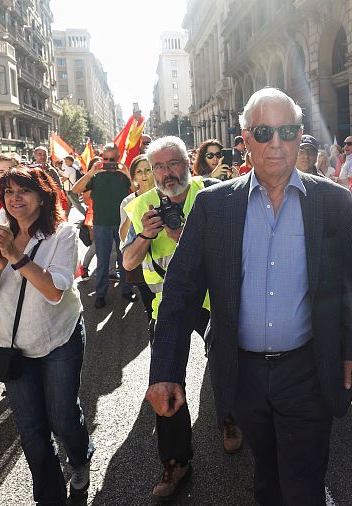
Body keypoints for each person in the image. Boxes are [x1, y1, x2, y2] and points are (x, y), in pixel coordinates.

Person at [146, 88, 352, 505]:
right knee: (267, 472)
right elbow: (180, 292)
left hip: (307, 370)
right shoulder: (214, 205)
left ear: (300, 136)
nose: (277, 142)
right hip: (241, 372)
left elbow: (347, 286)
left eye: (287, 130)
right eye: (264, 132)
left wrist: (351, 349)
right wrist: (166, 370)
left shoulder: (333, 201)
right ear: (245, 140)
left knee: (303, 480)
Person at [0, 165, 93, 504]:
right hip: (13, 348)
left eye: (24, 190)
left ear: (43, 196)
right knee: (33, 433)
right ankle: (50, 496)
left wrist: (17, 256)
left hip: (58, 340)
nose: (15, 198)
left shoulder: (62, 234)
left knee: (64, 419)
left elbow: (54, 292)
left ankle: (80, 459)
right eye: (9, 192)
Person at [122, 136, 241, 500]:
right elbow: (128, 263)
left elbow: (238, 248)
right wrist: (146, 233)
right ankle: (175, 461)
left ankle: (230, 417)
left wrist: (184, 235)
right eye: (158, 166)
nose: (166, 173)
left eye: (173, 163)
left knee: (227, 357)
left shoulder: (214, 193)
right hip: (167, 305)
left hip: (212, 299)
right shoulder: (141, 205)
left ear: (188, 163)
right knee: (165, 376)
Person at [72, 144, 136, 308]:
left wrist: (127, 173)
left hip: (123, 224)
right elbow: (75, 189)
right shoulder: (96, 176)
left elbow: (138, 191)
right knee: (102, 260)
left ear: (118, 158)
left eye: (112, 159)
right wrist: (91, 172)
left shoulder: (123, 175)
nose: (108, 162)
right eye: (105, 159)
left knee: (125, 259)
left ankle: (127, 290)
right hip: (101, 225)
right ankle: (100, 294)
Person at [119, 155, 158, 323]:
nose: (144, 175)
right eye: (139, 172)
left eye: (148, 170)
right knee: (152, 312)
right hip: (144, 268)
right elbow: (123, 237)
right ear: (134, 177)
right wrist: (135, 207)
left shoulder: (165, 192)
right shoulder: (128, 201)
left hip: (167, 263)